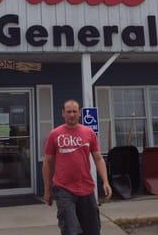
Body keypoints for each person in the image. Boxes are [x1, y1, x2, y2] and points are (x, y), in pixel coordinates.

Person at [43, 100, 112, 235]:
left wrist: (105, 181)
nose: (72, 115)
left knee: (93, 229)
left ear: (80, 113)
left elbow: (98, 158)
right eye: (69, 112)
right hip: (63, 189)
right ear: (63, 113)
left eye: (75, 111)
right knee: (71, 229)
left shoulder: (89, 133)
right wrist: (47, 189)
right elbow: (47, 163)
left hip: (86, 188)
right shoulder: (54, 134)